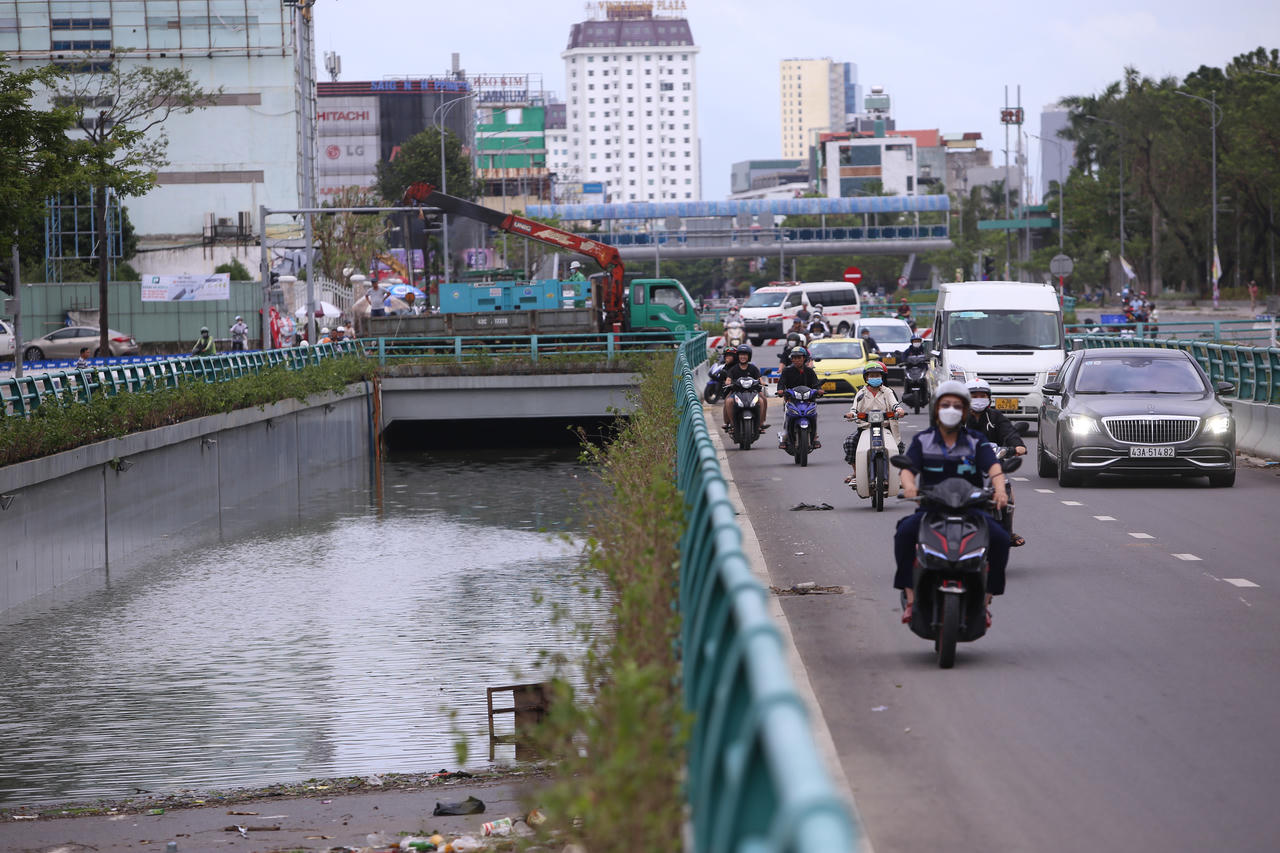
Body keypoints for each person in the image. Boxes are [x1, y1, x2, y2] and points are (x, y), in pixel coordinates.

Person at [895, 381, 1010, 626]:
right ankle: (911, 597)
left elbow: (994, 468)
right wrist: (909, 487)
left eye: (957, 406)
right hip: (932, 509)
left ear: (965, 411)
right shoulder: (923, 440)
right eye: (946, 405)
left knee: (1000, 539)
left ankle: (987, 600)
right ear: (936, 409)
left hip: (972, 510)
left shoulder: (976, 441)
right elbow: (907, 469)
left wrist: (1000, 491)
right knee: (904, 533)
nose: (951, 410)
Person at [966, 378, 1026, 547]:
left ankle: (1007, 532)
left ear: (989, 398)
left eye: (982, 395)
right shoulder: (957, 418)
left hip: (993, 467)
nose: (978, 399)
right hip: (962, 467)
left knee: (1008, 493)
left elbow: (1011, 435)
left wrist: (1016, 447)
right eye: (973, 395)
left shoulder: (996, 417)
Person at [842, 361, 906, 485]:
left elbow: (894, 404)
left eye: (877, 375)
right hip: (865, 428)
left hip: (886, 427)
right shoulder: (861, 393)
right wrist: (852, 414)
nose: (875, 378)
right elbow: (854, 408)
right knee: (849, 442)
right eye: (871, 375)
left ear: (882, 377)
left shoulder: (887, 392)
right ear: (866, 377)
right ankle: (856, 472)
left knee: (899, 447)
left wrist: (899, 410)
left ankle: (896, 474)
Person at [775, 346, 821, 449]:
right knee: (787, 416)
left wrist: (819, 390)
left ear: (804, 358)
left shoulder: (810, 371)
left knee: (814, 415)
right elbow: (781, 383)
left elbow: (816, 384)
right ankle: (785, 436)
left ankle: (814, 437)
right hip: (791, 400)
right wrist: (780, 390)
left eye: (799, 357)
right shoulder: (787, 371)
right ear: (791, 359)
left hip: (808, 400)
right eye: (794, 358)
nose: (797, 360)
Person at [723, 343, 767, 432]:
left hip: (752, 392)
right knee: (728, 401)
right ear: (738, 356)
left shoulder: (753, 368)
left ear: (749, 356)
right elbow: (728, 379)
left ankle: (760, 424)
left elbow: (759, 378)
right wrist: (728, 382)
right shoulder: (733, 369)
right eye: (741, 354)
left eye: (745, 355)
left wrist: (762, 382)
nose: (743, 357)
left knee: (763, 401)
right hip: (736, 392)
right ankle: (732, 424)